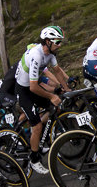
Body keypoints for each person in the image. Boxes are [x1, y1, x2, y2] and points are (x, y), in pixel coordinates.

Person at [14, 26, 71, 174]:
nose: (59, 45)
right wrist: (52, 96)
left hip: (33, 86)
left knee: (56, 109)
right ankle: (34, 159)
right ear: (48, 42)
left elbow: (57, 71)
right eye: (57, 42)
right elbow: (33, 87)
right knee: (37, 125)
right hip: (24, 90)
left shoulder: (50, 54)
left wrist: (67, 89)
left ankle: (39, 136)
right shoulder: (36, 55)